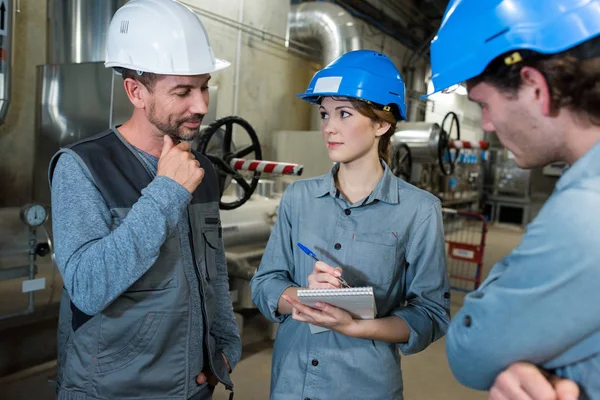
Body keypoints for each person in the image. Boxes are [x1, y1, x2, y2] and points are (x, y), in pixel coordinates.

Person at [48, 1, 241, 399]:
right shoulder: (83, 167)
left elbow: (214, 272)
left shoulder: (200, 169)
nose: (202, 105)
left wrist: (225, 347)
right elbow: (87, 287)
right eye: (183, 91)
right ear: (135, 91)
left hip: (191, 387)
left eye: (204, 85)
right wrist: (166, 193)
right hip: (111, 390)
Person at [250, 49, 451, 400]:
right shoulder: (298, 199)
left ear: (382, 124)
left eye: (344, 114)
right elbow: (265, 284)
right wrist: (303, 297)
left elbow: (431, 314)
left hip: (363, 386)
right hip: (291, 383)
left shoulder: (418, 210)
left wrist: (355, 326)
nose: (329, 126)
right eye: (325, 113)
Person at [426, 0, 600, 398]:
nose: (486, 124)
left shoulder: (586, 210)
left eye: (484, 105)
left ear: (536, 88)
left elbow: (470, 349)